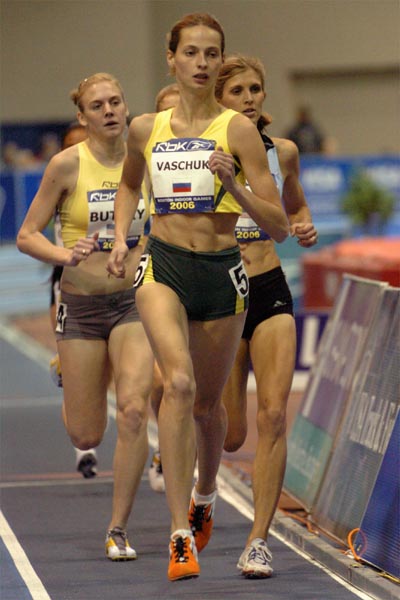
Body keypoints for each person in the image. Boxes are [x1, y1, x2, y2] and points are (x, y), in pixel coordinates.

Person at [107, 13, 289, 581]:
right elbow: (131, 183)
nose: (203, 62)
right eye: (192, 52)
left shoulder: (237, 130)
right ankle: (178, 535)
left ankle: (205, 495)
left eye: (212, 53)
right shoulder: (144, 128)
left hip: (222, 270)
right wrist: (121, 235)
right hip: (164, 265)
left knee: (210, 408)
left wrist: (233, 184)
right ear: (172, 58)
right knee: (179, 384)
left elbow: (279, 224)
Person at [17, 73, 154, 561]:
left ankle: (118, 527)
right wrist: (64, 254)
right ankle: (76, 375)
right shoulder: (66, 166)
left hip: (134, 301)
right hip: (79, 304)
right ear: (83, 117)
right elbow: (26, 235)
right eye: (98, 105)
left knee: (135, 408)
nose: (110, 110)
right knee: (86, 433)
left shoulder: (147, 158)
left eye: (116, 101)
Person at [215, 54, 318, 578]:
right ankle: (202, 482)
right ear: (219, 101)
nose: (250, 98)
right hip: (221, 294)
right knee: (230, 435)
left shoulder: (286, 152)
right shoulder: (202, 156)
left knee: (274, 415)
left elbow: (295, 207)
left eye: (256, 88)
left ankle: (259, 540)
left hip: (270, 285)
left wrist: (303, 225)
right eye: (238, 92)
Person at [47, 122, 99, 479]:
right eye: (70, 146)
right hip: (68, 284)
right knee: (75, 375)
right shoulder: (59, 180)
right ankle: (85, 448)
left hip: (116, 285)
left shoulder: (116, 174)